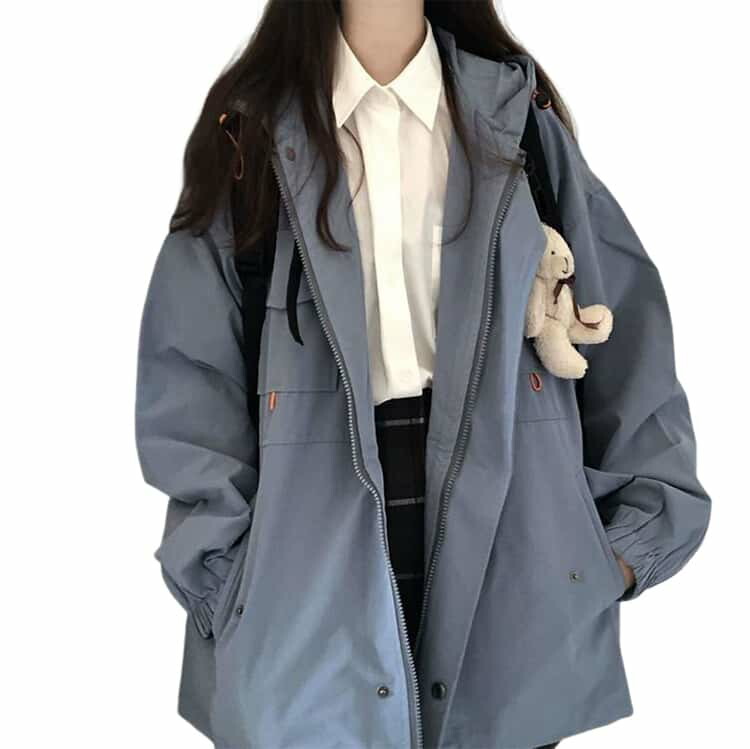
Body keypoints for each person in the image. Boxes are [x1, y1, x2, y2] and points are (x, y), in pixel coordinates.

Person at [134, 2, 711, 747]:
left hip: (515, 568)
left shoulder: (518, 122)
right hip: (304, 582)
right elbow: (190, 380)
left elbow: (623, 337)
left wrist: (621, 550)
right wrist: (228, 584)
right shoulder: (250, 138)